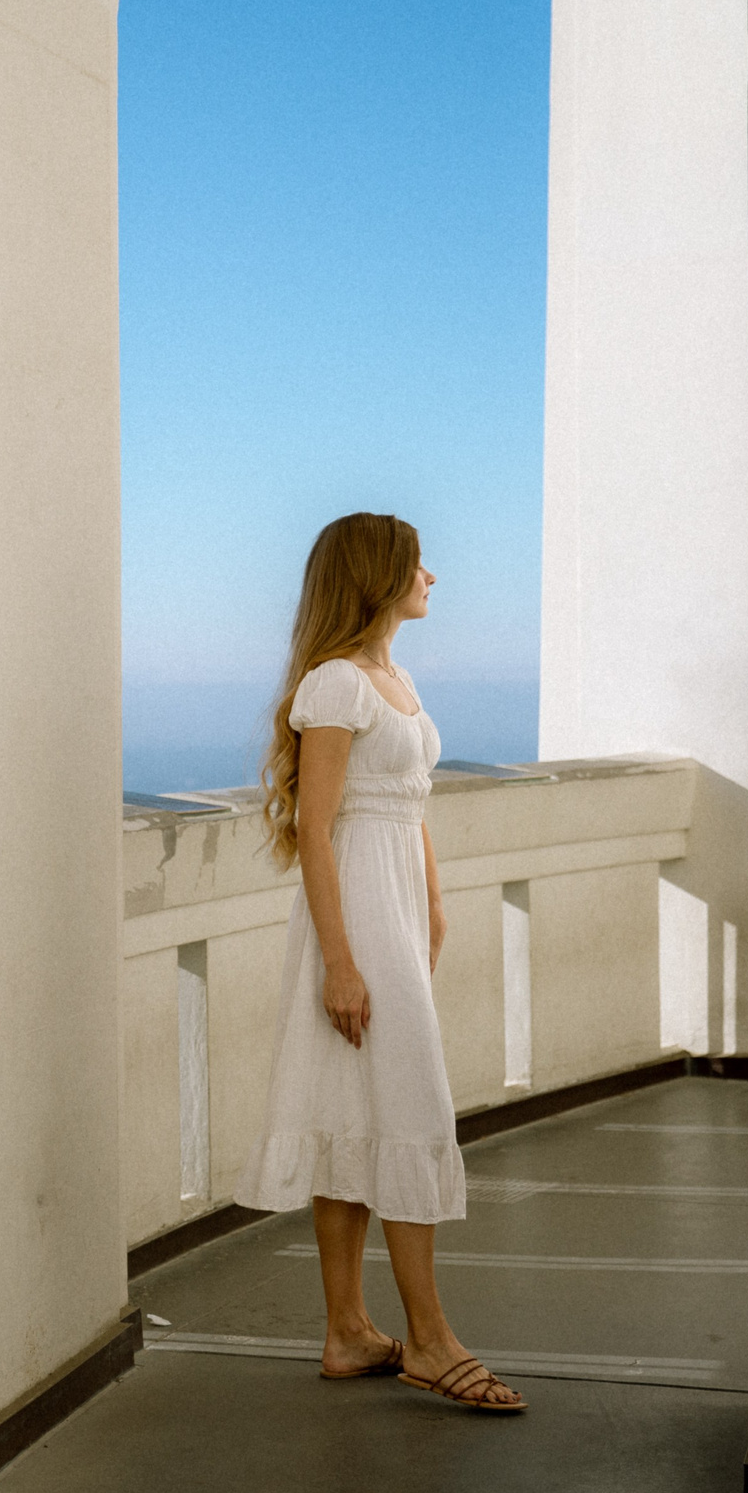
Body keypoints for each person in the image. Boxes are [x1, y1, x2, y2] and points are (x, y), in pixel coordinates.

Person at [233, 512, 526, 1414]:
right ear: (376, 576)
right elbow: (318, 832)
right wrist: (341, 962)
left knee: (355, 1107)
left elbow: (409, 805)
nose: (432, 576)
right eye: (415, 564)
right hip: (356, 909)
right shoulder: (335, 686)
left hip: (396, 904)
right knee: (408, 1103)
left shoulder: (393, 676)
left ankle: (349, 1333)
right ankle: (430, 1341)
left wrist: (433, 906)